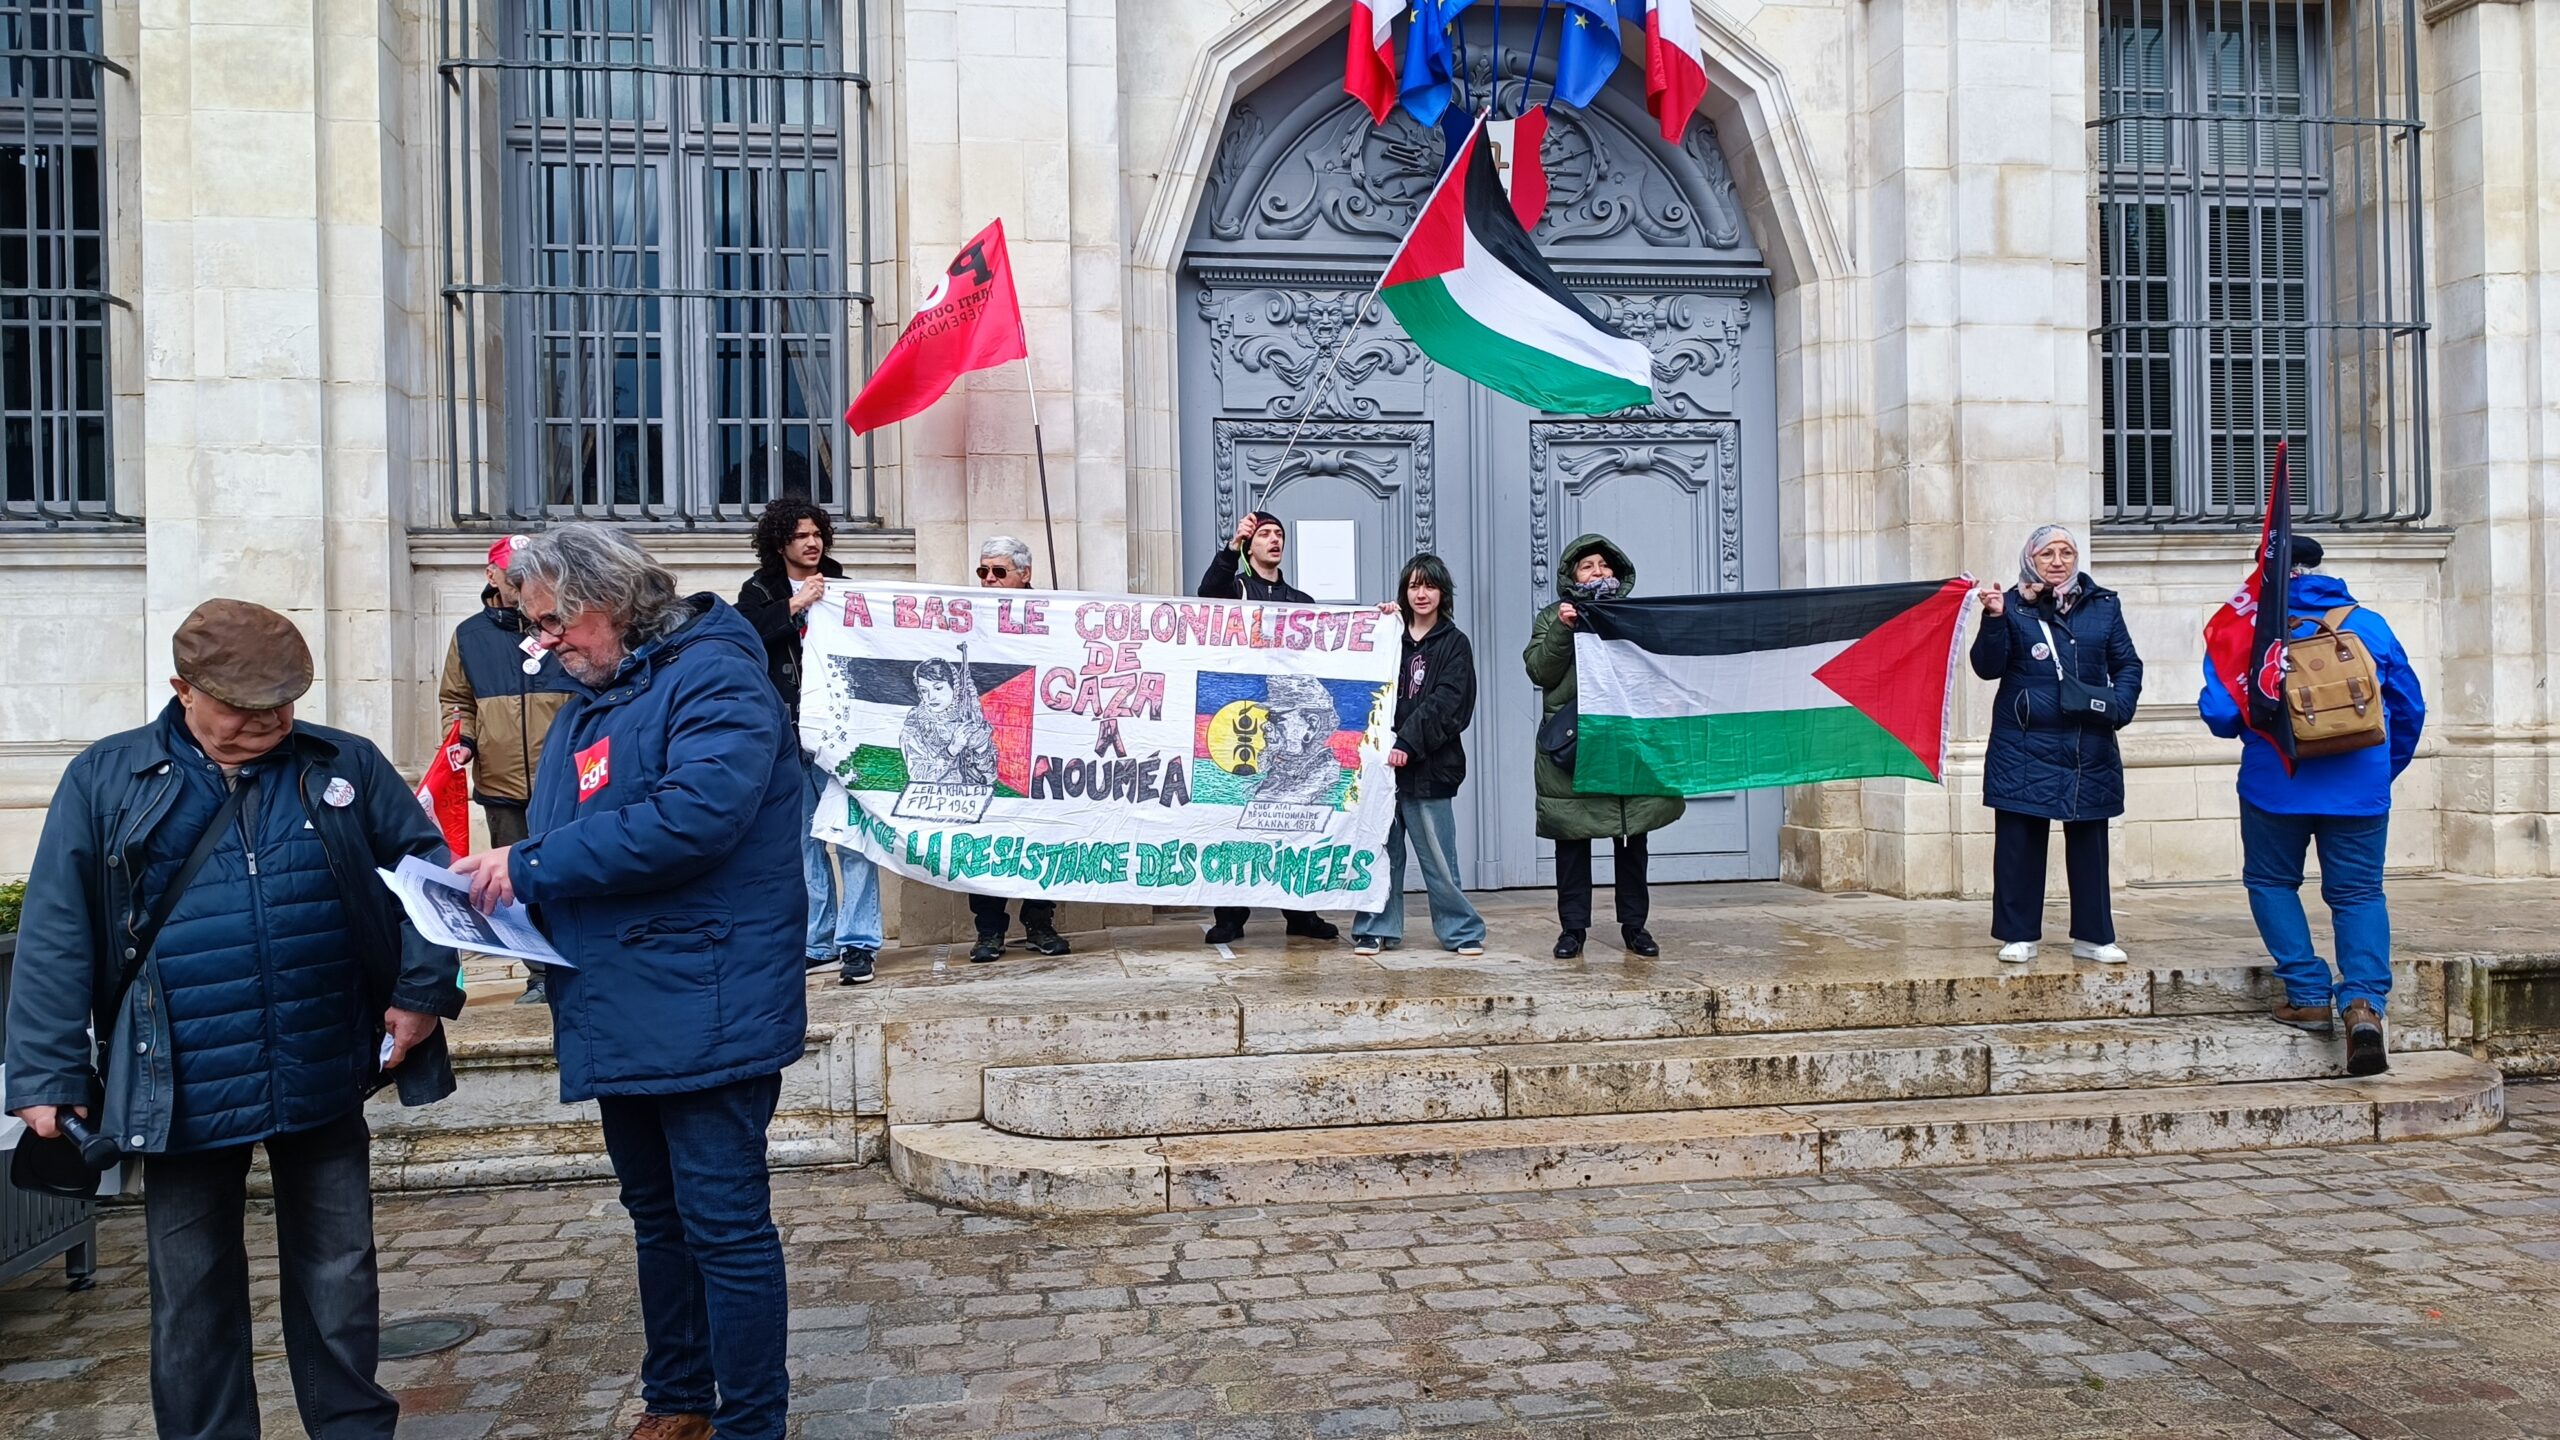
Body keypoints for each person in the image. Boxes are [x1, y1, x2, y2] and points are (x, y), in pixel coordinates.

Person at [6, 599, 463, 1440]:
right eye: (245, 708)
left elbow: (428, 881)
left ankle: (353, 1431)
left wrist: (422, 993)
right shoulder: (105, 779)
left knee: (340, 1276)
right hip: (179, 1078)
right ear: (182, 688)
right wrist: (45, 1073)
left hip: (322, 1058)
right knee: (193, 1294)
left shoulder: (344, 764)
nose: (271, 722)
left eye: (284, 703)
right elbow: (56, 932)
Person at [453, 525, 803, 1440]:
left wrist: (529, 866)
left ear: (606, 603)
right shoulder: (591, 700)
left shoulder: (716, 676)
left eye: (551, 624)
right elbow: (565, 837)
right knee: (657, 1217)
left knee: (723, 1223)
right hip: (620, 999)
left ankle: (751, 1424)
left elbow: (693, 818)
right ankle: (678, 1400)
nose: (543, 645)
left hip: (705, 996)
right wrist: (503, 900)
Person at [2198, 535, 2425, 1076]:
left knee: (2272, 882)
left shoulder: (2248, 630)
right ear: (2320, 569)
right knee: (2359, 893)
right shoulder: (2368, 624)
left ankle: (2306, 993)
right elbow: (2410, 709)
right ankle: (2363, 1004)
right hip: (2359, 787)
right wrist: (2378, 772)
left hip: (2275, 783)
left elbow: (2221, 716)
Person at [1971, 525, 2144, 965]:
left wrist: (2121, 706)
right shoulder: (2011, 605)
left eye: (2066, 552)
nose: (2057, 561)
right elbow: (1987, 667)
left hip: (2088, 740)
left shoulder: (2103, 605)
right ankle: (2018, 934)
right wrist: (1993, 620)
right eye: (2047, 553)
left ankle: (2094, 936)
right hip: (2023, 741)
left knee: (2090, 841)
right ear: (2031, 559)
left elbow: (2127, 663)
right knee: (2020, 841)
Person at [735, 495, 882, 986]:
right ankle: (818, 942)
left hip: (840, 736)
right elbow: (741, 636)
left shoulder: (844, 587)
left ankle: (858, 943)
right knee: (802, 844)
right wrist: (795, 605)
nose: (812, 542)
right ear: (781, 543)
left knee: (855, 839)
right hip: (786, 733)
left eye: (817, 533)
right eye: (801, 536)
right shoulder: (759, 590)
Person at [1525, 534, 1682, 959]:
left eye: (1603, 564)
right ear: (1572, 575)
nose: (1597, 571)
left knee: (1632, 839)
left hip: (1625, 742)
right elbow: (1540, 671)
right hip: (1574, 746)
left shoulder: (1633, 614)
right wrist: (1563, 628)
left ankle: (1635, 927)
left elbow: (1659, 669)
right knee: (1572, 843)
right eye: (1587, 566)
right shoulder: (1552, 616)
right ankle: (1572, 930)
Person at [439, 532, 579, 1003]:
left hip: (564, 781)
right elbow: (457, 701)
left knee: (567, 872)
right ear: (492, 575)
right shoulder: (469, 635)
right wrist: (462, 741)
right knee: (514, 883)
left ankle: (578, 958)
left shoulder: (561, 623)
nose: (521, 582)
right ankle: (539, 974)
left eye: (530, 571)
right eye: (513, 573)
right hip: (501, 783)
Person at [1197, 509, 1340, 944]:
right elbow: (1208, 594)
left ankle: (1301, 913)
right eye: (1264, 534)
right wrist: (1229, 549)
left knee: (1296, 822)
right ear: (1250, 545)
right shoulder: (1237, 589)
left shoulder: (1301, 601)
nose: (1274, 540)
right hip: (1243, 711)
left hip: (1291, 715)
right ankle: (1230, 916)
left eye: (1279, 534)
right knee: (1237, 817)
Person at [1351, 554, 1488, 957]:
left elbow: (1450, 703)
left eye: (1429, 585)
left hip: (1431, 769)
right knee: (1381, 853)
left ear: (1443, 592)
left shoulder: (1454, 643)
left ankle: (1461, 931)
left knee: (1439, 859)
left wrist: (1407, 744)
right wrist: (1376, 625)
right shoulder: (1389, 636)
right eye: (1413, 586)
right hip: (1381, 770)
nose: (1421, 594)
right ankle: (1374, 928)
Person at [964, 535, 1070, 964]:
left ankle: (1039, 923)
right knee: (986, 834)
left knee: (1042, 833)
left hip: (1041, 742)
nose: (989, 579)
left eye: (999, 571)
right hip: (989, 744)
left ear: (1025, 574)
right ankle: (989, 931)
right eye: (983, 571)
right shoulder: (969, 614)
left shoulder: (1055, 614)